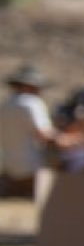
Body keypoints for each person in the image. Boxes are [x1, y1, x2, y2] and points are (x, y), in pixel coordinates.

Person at [0, 65, 58, 198]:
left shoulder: (4, 106)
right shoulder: (32, 103)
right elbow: (45, 135)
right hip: (33, 169)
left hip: (9, 168)